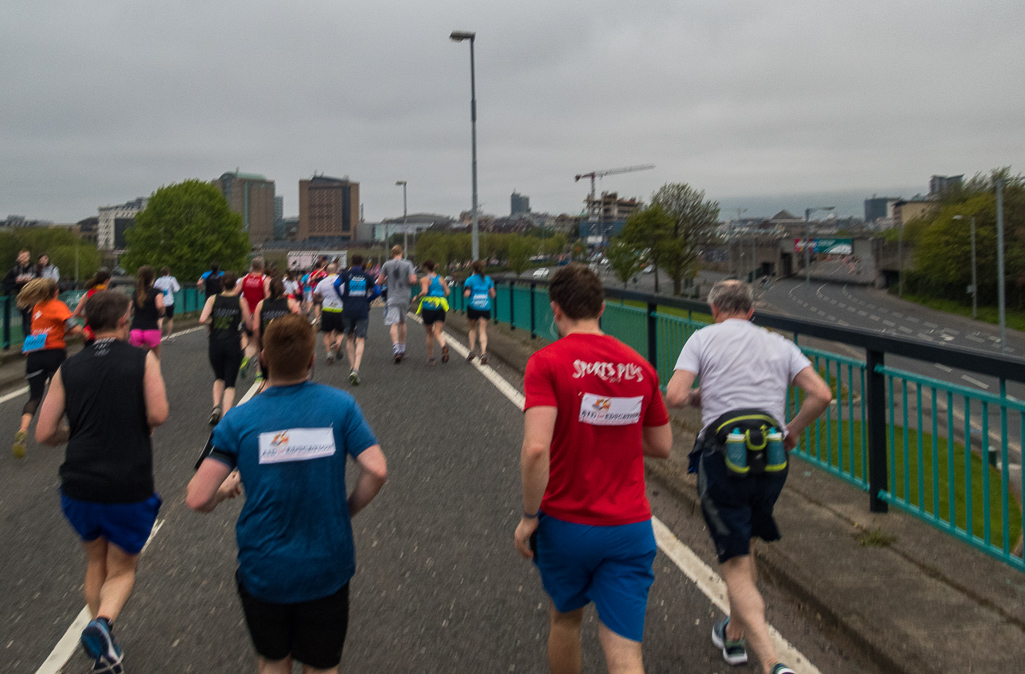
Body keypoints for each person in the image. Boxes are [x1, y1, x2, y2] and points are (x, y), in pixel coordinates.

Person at [187, 314, 387, 674]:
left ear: (263, 358)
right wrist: (345, 511)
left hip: (265, 566)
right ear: (311, 359)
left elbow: (198, 497)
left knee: (273, 661)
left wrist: (224, 491)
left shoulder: (238, 420)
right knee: (323, 665)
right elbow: (376, 469)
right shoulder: (341, 406)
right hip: (327, 561)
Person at [665, 280, 832, 674]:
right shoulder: (779, 344)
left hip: (723, 460)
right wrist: (792, 429)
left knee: (736, 562)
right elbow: (821, 395)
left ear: (714, 310)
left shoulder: (704, 338)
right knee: (745, 540)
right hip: (772, 461)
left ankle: (774, 663)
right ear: (751, 311)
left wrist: (696, 398)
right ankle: (733, 636)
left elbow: (674, 395)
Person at [514, 263, 672, 674]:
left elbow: (535, 449)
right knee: (624, 649)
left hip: (566, 523)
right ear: (602, 308)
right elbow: (662, 445)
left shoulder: (547, 363)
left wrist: (530, 517)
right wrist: (611, 426)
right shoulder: (640, 366)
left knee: (565, 621)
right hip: (629, 526)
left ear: (555, 310)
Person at [35, 290, 168, 673]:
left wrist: (73, 433)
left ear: (88, 324)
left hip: (79, 483)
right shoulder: (142, 360)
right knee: (123, 567)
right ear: (125, 320)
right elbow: (158, 413)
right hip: (128, 480)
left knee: (96, 560)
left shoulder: (68, 368)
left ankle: (104, 651)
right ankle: (103, 625)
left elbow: (45, 433)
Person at [12, 278, 82, 459]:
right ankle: (57, 428)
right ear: (56, 292)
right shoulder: (59, 306)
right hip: (54, 354)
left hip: (33, 354)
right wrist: (85, 331)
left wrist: (60, 331)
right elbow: (74, 328)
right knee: (59, 392)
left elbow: (47, 329)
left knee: (34, 396)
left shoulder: (36, 307)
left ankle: (23, 429)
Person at [199, 271, 252, 425]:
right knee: (230, 383)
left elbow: (202, 319)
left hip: (215, 343)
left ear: (221, 284)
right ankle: (226, 416)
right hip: (233, 343)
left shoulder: (212, 299)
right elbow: (248, 323)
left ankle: (216, 407)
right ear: (236, 285)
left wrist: (213, 322)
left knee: (218, 377)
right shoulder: (240, 301)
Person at [335, 255, 377, 385]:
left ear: (351, 263)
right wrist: (367, 300)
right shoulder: (367, 276)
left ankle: (351, 367)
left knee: (349, 337)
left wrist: (342, 297)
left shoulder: (345, 274)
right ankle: (356, 369)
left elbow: (336, 284)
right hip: (362, 310)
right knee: (360, 339)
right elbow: (377, 292)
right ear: (362, 262)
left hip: (347, 309)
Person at [253, 276, 300, 389]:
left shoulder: (261, 305)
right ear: (283, 289)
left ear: (269, 289)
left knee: (266, 379)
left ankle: (264, 402)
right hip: (286, 346)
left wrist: (259, 344)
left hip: (267, 345)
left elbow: (255, 328)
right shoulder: (291, 304)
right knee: (287, 379)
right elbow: (299, 325)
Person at [377, 245, 417, 364]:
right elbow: (413, 280)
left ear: (392, 253)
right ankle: (402, 349)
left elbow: (379, 281)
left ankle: (395, 349)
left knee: (393, 324)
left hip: (392, 296)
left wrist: (387, 281)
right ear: (402, 252)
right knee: (403, 322)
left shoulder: (386, 264)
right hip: (404, 296)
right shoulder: (408, 264)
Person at [411, 260, 450, 365]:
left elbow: (424, 291)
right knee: (438, 332)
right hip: (440, 307)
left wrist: (417, 296)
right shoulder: (441, 278)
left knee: (429, 333)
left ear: (425, 268)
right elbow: (448, 291)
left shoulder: (424, 279)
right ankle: (443, 346)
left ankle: (431, 357)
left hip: (428, 308)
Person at [238, 257, 271, 379]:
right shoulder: (264, 280)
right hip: (259, 315)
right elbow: (267, 298)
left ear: (251, 266)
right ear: (262, 267)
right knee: (260, 344)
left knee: (251, 341)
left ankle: (245, 359)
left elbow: (236, 293)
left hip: (246, 315)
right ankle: (258, 372)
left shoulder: (243, 279)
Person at [462, 261, 496, 365]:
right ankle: (483, 353)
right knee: (482, 330)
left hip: (473, 307)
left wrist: (467, 293)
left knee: (473, 329)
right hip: (485, 307)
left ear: (473, 269)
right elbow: (493, 294)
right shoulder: (488, 279)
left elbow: (467, 294)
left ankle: (472, 351)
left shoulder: (469, 280)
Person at [128, 265, 166, 359]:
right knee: (155, 359)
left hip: (136, 329)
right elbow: (160, 305)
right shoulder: (157, 291)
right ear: (153, 278)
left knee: (135, 359)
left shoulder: (136, 292)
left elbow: (128, 310)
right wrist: (162, 312)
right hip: (151, 329)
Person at [313, 263, 344, 365]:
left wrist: (322, 299)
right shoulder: (341, 280)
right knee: (340, 331)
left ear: (327, 272)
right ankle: (338, 343)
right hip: (339, 308)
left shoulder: (322, 282)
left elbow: (315, 295)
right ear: (337, 270)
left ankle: (329, 354)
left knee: (326, 333)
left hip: (326, 308)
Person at [5, 249, 40, 338]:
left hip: (34, 296)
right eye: (22, 256)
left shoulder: (35, 268)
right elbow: (5, 282)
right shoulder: (15, 270)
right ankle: (28, 341)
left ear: (29, 257)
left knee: (35, 318)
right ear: (18, 258)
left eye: (26, 256)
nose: (24, 258)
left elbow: (41, 281)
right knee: (26, 319)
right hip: (22, 297)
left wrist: (32, 280)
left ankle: (37, 339)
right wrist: (16, 281)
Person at [73, 269, 111, 346]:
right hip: (103, 332)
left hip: (88, 331)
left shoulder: (87, 294)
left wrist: (85, 315)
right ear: (106, 281)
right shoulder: (108, 295)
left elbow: (76, 313)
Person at [153, 267, 182, 336]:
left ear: (161, 274)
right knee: (170, 319)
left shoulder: (158, 280)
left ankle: (158, 335)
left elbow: (154, 289)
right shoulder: (172, 279)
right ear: (168, 273)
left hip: (160, 302)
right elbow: (177, 289)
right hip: (169, 302)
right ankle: (169, 336)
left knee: (160, 319)